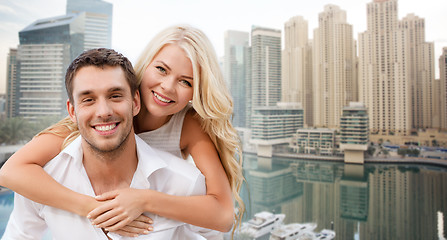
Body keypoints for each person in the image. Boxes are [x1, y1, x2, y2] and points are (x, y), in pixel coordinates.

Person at [0, 25, 244, 238]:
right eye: (161, 69)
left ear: (196, 92)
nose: (167, 87)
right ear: (145, 66)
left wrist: (144, 199)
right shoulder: (97, 119)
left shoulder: (188, 126)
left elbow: (222, 215)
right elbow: (10, 171)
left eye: (186, 82)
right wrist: (92, 208)